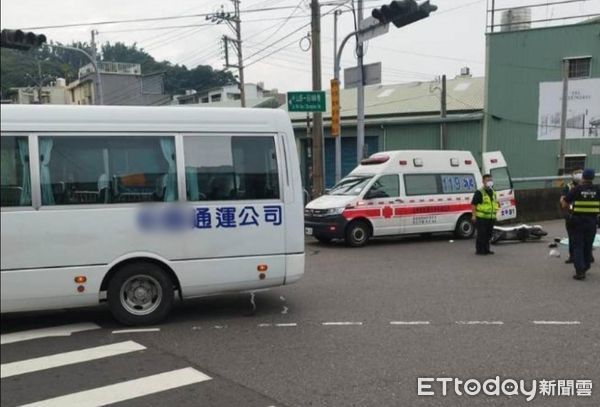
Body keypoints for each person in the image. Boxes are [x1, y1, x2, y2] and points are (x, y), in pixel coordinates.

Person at [560, 168, 600, 280]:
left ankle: (580, 271)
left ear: (583, 177)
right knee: (588, 245)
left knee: (578, 245)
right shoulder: (597, 190)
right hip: (592, 222)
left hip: (577, 221)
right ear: (593, 178)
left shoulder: (577, 189)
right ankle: (586, 266)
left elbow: (564, 203)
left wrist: (569, 210)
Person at [471, 174, 498, 255]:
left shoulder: (493, 192)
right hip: (481, 217)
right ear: (483, 181)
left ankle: (487, 249)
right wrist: (473, 215)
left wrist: (495, 215)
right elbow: (473, 204)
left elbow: (494, 204)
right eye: (487, 180)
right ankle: (479, 250)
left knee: (489, 234)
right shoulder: (479, 192)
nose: (489, 182)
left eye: (490, 180)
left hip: (491, 217)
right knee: (482, 234)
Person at [560, 169, 583, 263]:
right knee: (572, 236)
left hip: (583, 215)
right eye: (577, 172)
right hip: (572, 214)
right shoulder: (568, 186)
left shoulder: (588, 187)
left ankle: (587, 255)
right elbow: (563, 201)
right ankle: (573, 256)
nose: (579, 174)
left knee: (584, 237)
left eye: (580, 172)